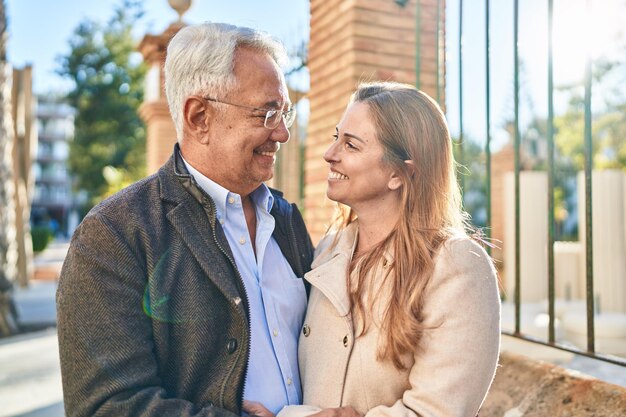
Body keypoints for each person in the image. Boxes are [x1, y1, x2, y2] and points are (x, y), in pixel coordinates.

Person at [56, 22, 314, 417]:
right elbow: (106, 407)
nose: (282, 133)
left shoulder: (287, 219)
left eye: (285, 113)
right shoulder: (114, 235)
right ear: (199, 117)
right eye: (266, 113)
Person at [248, 82, 501, 417]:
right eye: (336, 137)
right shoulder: (329, 249)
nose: (330, 153)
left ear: (399, 173)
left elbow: (434, 411)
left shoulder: (456, 265)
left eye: (351, 145)